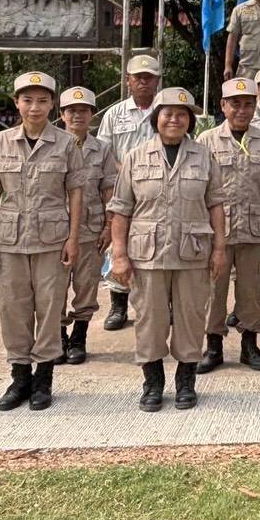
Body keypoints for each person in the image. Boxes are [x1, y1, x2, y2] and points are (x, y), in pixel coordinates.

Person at [107, 87, 228, 412]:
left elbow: (216, 204)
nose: (174, 119)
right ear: (155, 118)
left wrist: (220, 249)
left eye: (182, 114)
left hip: (193, 253)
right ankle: (153, 382)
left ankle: (186, 382)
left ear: (190, 121)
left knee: (191, 318)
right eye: (168, 113)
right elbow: (121, 209)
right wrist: (119, 255)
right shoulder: (136, 157)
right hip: (147, 255)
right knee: (150, 320)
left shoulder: (204, 156)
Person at [0, 73, 85, 411]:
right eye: (27, 100)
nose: (34, 107)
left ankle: (44, 378)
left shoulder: (66, 143)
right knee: (13, 308)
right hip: (9, 239)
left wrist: (73, 238)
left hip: (52, 239)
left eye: (42, 100)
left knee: (50, 308)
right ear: (17, 103)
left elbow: (76, 192)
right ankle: (20, 376)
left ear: (53, 104)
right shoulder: (1, 141)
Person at [199, 76, 260, 375]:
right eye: (235, 104)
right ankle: (213, 346)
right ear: (223, 105)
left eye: (248, 104)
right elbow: (198, 190)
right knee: (213, 291)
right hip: (216, 234)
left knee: (251, 291)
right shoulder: (206, 141)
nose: (242, 110)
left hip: (253, 231)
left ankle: (250, 345)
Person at [96, 53, 163, 330]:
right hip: (122, 188)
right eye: (138, 77)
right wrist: (127, 170)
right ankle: (118, 304)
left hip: (158, 189)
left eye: (149, 77)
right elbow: (104, 151)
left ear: (157, 81)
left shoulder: (167, 110)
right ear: (128, 81)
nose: (143, 82)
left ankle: (159, 304)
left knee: (158, 241)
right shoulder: (114, 114)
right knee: (118, 242)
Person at [56, 86, 118, 366]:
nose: (77, 115)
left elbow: (108, 189)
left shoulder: (102, 149)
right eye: (72, 110)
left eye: (83, 110)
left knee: (86, 284)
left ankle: (79, 336)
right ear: (62, 115)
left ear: (92, 115)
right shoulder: (52, 145)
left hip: (90, 229)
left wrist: (108, 226)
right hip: (55, 228)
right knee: (54, 286)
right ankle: (58, 336)